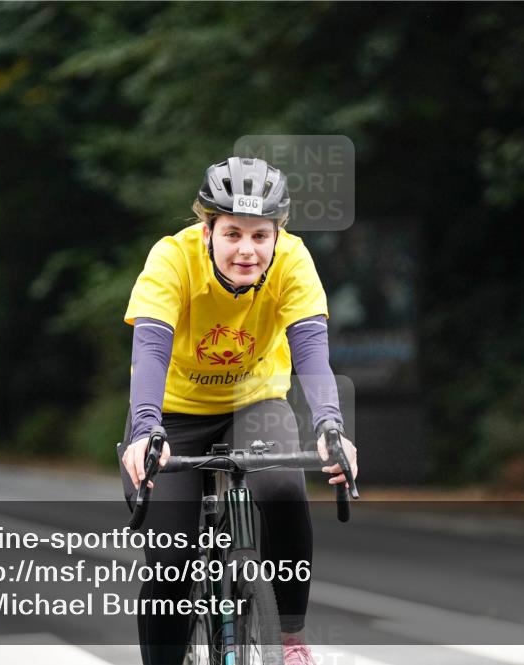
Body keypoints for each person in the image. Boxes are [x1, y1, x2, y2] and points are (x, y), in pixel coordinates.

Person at [118, 157, 358, 665]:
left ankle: (289, 636)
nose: (247, 250)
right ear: (206, 230)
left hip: (256, 401)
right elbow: (151, 350)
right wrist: (144, 429)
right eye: (232, 233)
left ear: (277, 235)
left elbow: (312, 353)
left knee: (280, 487)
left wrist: (330, 426)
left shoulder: (293, 261)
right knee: (171, 558)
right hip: (174, 414)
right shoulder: (171, 259)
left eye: (259, 235)